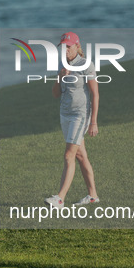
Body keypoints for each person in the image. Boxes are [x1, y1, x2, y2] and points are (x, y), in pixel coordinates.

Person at [44, 32, 100, 209]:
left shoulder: (86, 65)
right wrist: (60, 76)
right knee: (81, 156)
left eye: (69, 46)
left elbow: (95, 94)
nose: (66, 50)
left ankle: (60, 199)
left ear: (77, 46)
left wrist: (93, 122)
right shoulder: (62, 64)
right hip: (65, 114)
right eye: (63, 46)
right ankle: (93, 196)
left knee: (68, 155)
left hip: (80, 115)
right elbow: (55, 94)